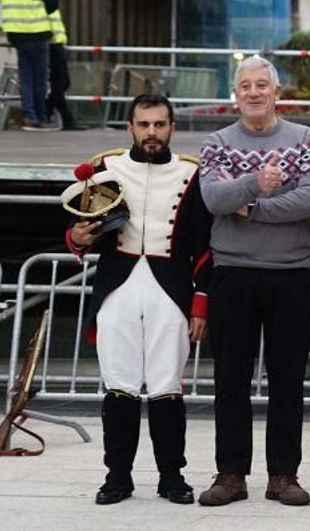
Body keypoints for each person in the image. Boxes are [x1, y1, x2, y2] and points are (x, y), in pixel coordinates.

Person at [62, 94, 213, 504]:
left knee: (168, 386)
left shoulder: (192, 173)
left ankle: (171, 477)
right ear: (130, 127)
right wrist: (76, 240)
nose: (151, 132)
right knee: (119, 385)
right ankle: (117, 477)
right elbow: (80, 228)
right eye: (144, 124)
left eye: (159, 124)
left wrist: (201, 302)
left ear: (171, 128)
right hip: (118, 284)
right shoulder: (106, 168)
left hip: (172, 287)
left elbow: (205, 245)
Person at [195, 55, 310, 507]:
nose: (253, 93)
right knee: (230, 378)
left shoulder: (304, 138)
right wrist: (256, 181)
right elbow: (213, 197)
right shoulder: (217, 142)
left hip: (289, 273)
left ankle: (283, 475)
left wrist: (250, 206)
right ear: (237, 94)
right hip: (231, 273)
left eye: (261, 85)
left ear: (276, 91)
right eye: (245, 86)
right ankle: (230, 474)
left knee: (288, 379)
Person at [0, 0, 60, 131]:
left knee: (25, 77)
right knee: (40, 78)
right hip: (36, 34)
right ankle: (39, 118)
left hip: (16, 36)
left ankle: (28, 116)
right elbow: (53, 2)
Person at [43, 0, 85, 130]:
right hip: (49, 42)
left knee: (63, 82)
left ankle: (47, 112)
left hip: (57, 42)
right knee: (60, 83)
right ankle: (67, 120)